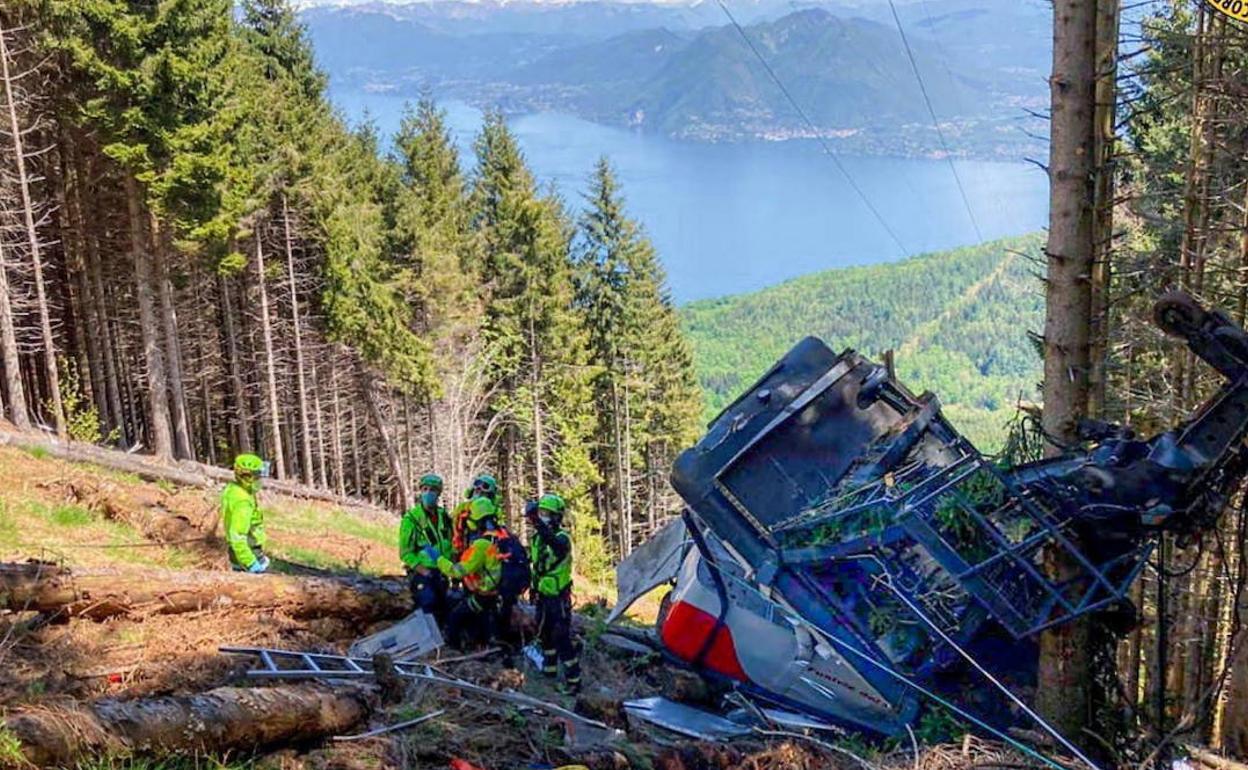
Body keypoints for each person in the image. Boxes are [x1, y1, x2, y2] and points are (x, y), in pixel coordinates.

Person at [438, 493, 523, 652]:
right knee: (487, 624)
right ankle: (493, 647)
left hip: (483, 596)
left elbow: (458, 571)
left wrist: (439, 560)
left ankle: (453, 651)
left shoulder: (481, 545)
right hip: (498, 595)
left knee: (454, 617)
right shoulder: (502, 537)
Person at [527, 493, 580, 693]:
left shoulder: (562, 538)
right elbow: (537, 565)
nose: (543, 517)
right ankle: (549, 671)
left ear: (557, 517)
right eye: (541, 513)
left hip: (558, 598)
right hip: (543, 595)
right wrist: (533, 587)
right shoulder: (537, 539)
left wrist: (536, 521)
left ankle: (574, 680)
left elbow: (556, 547)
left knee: (561, 638)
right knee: (544, 635)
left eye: (547, 514)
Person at [399, 473, 453, 622]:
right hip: (422, 573)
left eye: (433, 490)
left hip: (442, 572)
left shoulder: (444, 517)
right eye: (425, 489)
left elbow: (450, 542)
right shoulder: (412, 519)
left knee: (444, 610)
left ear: (439, 493)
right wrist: (424, 571)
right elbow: (405, 552)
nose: (428, 493)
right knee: (427, 605)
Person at [222, 453, 270, 573]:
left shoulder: (234, 490)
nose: (260, 480)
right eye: (258, 476)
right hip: (248, 552)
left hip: (240, 552)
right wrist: (251, 563)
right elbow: (237, 535)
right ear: (247, 477)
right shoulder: (242, 502)